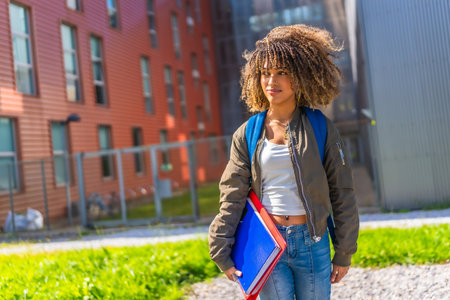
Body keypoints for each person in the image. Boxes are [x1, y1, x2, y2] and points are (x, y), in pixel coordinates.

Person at [208, 24, 359, 299]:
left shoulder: (321, 128)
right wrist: (221, 246)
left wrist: (345, 250)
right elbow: (232, 194)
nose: (271, 81)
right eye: (265, 73)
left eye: (281, 72)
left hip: (312, 243)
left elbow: (342, 191)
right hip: (268, 243)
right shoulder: (248, 133)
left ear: (300, 76)